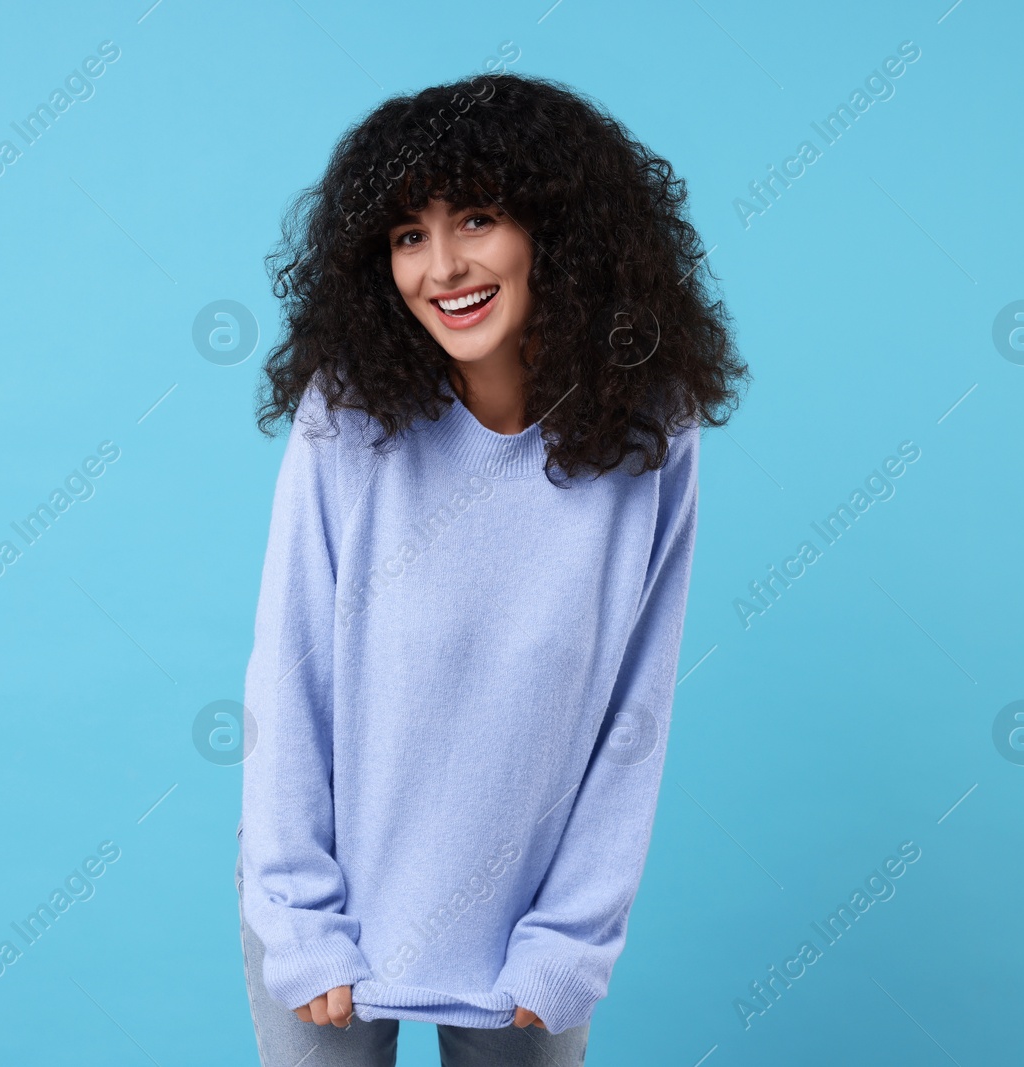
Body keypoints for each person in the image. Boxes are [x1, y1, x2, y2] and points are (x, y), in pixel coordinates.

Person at [236, 70, 748, 1067]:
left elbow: (635, 709)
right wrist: (301, 918)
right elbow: (288, 681)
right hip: (323, 903)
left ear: (559, 232)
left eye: (476, 219)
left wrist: (570, 936)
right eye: (406, 235)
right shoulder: (344, 416)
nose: (442, 266)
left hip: (527, 921)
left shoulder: (654, 426)